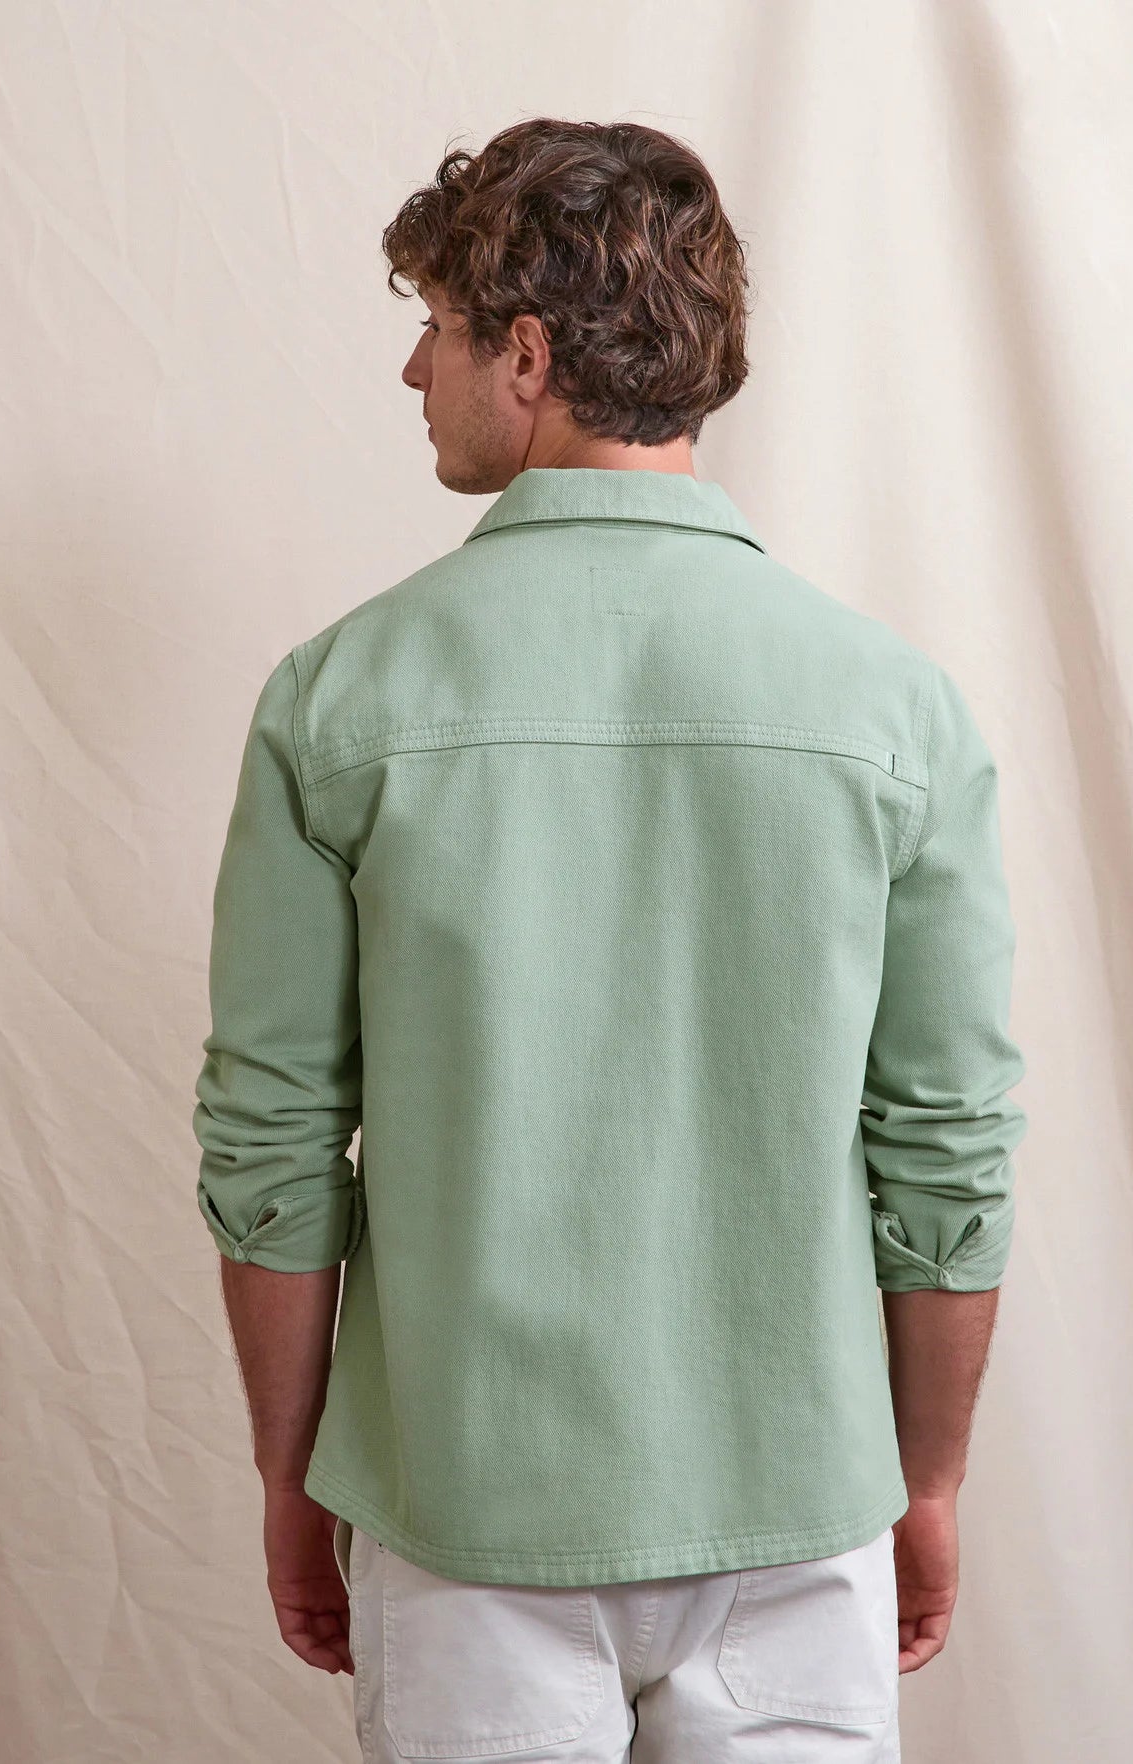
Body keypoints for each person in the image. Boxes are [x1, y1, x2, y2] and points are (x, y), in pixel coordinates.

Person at [191, 116, 1028, 1763]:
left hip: (462, 1511)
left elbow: (274, 1142)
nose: (412, 373)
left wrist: (292, 1477)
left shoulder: (339, 697)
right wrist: (925, 1479)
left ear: (526, 353)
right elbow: (948, 1146)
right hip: (799, 1506)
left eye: (436, 330)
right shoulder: (896, 708)